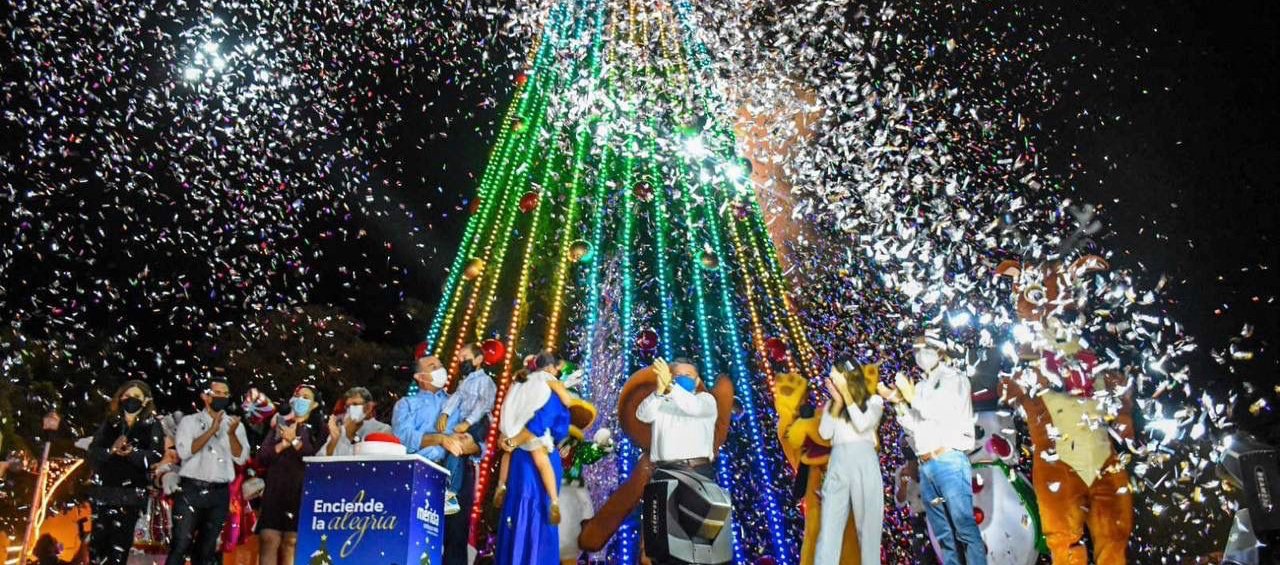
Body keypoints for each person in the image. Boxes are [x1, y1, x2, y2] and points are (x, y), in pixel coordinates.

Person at [878, 336, 986, 565]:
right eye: (916, 351)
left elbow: (942, 411)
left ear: (940, 351)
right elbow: (916, 425)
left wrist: (911, 396)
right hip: (927, 466)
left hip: (949, 460)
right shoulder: (921, 387)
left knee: (964, 527)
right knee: (944, 534)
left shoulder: (954, 378)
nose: (920, 355)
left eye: (925, 349)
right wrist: (897, 401)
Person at [495, 351, 572, 565]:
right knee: (537, 509)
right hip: (536, 449)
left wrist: (509, 438)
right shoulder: (550, 385)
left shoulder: (521, 382)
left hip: (515, 450)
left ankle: (500, 486)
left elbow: (509, 412)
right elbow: (543, 423)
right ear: (552, 367)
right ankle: (554, 503)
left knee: (517, 507)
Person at [166, 377, 249, 565]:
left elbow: (241, 457)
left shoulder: (235, 425)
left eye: (225, 394)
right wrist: (212, 430)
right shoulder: (190, 422)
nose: (222, 397)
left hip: (219, 493)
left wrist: (231, 434)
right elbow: (185, 451)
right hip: (191, 490)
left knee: (207, 549)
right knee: (180, 544)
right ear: (205, 396)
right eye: (217, 393)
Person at [86, 380, 165, 565]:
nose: (131, 400)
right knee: (97, 548)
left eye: (137, 396)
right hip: (104, 493)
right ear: (120, 397)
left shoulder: (151, 426)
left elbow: (155, 455)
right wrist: (110, 450)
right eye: (127, 395)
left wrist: (132, 453)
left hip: (130, 497)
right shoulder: (110, 423)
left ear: (145, 401)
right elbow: (92, 453)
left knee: (118, 548)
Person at [815, 362, 884, 565]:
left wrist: (845, 395)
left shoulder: (874, 401)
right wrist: (836, 403)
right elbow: (824, 433)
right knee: (829, 527)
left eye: (835, 377)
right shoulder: (833, 404)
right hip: (838, 461)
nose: (831, 382)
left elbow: (863, 424)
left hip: (863, 459)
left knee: (868, 528)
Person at [256, 385, 327, 565]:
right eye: (297, 395)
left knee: (291, 543)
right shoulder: (279, 425)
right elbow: (262, 457)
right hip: (275, 490)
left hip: (300, 492)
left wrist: (294, 440)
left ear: (314, 405)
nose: (300, 400)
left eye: (306, 397)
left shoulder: (319, 429)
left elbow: (312, 457)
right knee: (269, 539)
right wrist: (282, 444)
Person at [436, 343, 496, 514]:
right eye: (459, 358)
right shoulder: (465, 382)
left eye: (465, 357)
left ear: (478, 359)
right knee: (455, 451)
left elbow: (484, 404)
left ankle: (451, 493)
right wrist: (445, 413)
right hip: (464, 423)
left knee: (457, 448)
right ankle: (449, 490)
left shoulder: (485, 381)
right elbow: (456, 397)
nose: (461, 361)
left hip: (478, 423)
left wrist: (468, 423)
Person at [636, 357, 718, 478]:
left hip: (696, 471)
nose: (682, 378)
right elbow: (643, 416)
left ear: (697, 381)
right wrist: (659, 391)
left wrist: (670, 385)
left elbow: (693, 407)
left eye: (688, 375)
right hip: (663, 472)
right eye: (678, 375)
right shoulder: (661, 401)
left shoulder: (706, 400)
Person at [392, 356, 463, 463]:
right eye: (433, 367)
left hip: (453, 464)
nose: (441, 370)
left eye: (441, 366)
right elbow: (403, 436)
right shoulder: (406, 404)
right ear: (420, 377)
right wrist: (439, 439)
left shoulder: (456, 402)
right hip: (417, 466)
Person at [442, 416, 488, 565]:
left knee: (456, 538)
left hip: (460, 475)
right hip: (424, 466)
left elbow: (479, 445)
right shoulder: (408, 404)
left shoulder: (476, 410)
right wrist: (440, 439)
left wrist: (475, 447)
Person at [324, 387, 393, 456]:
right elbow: (323, 460)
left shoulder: (383, 430)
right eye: (348, 406)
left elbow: (373, 460)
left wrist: (351, 437)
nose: (350, 409)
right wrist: (334, 441)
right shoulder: (338, 431)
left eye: (355, 404)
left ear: (368, 407)